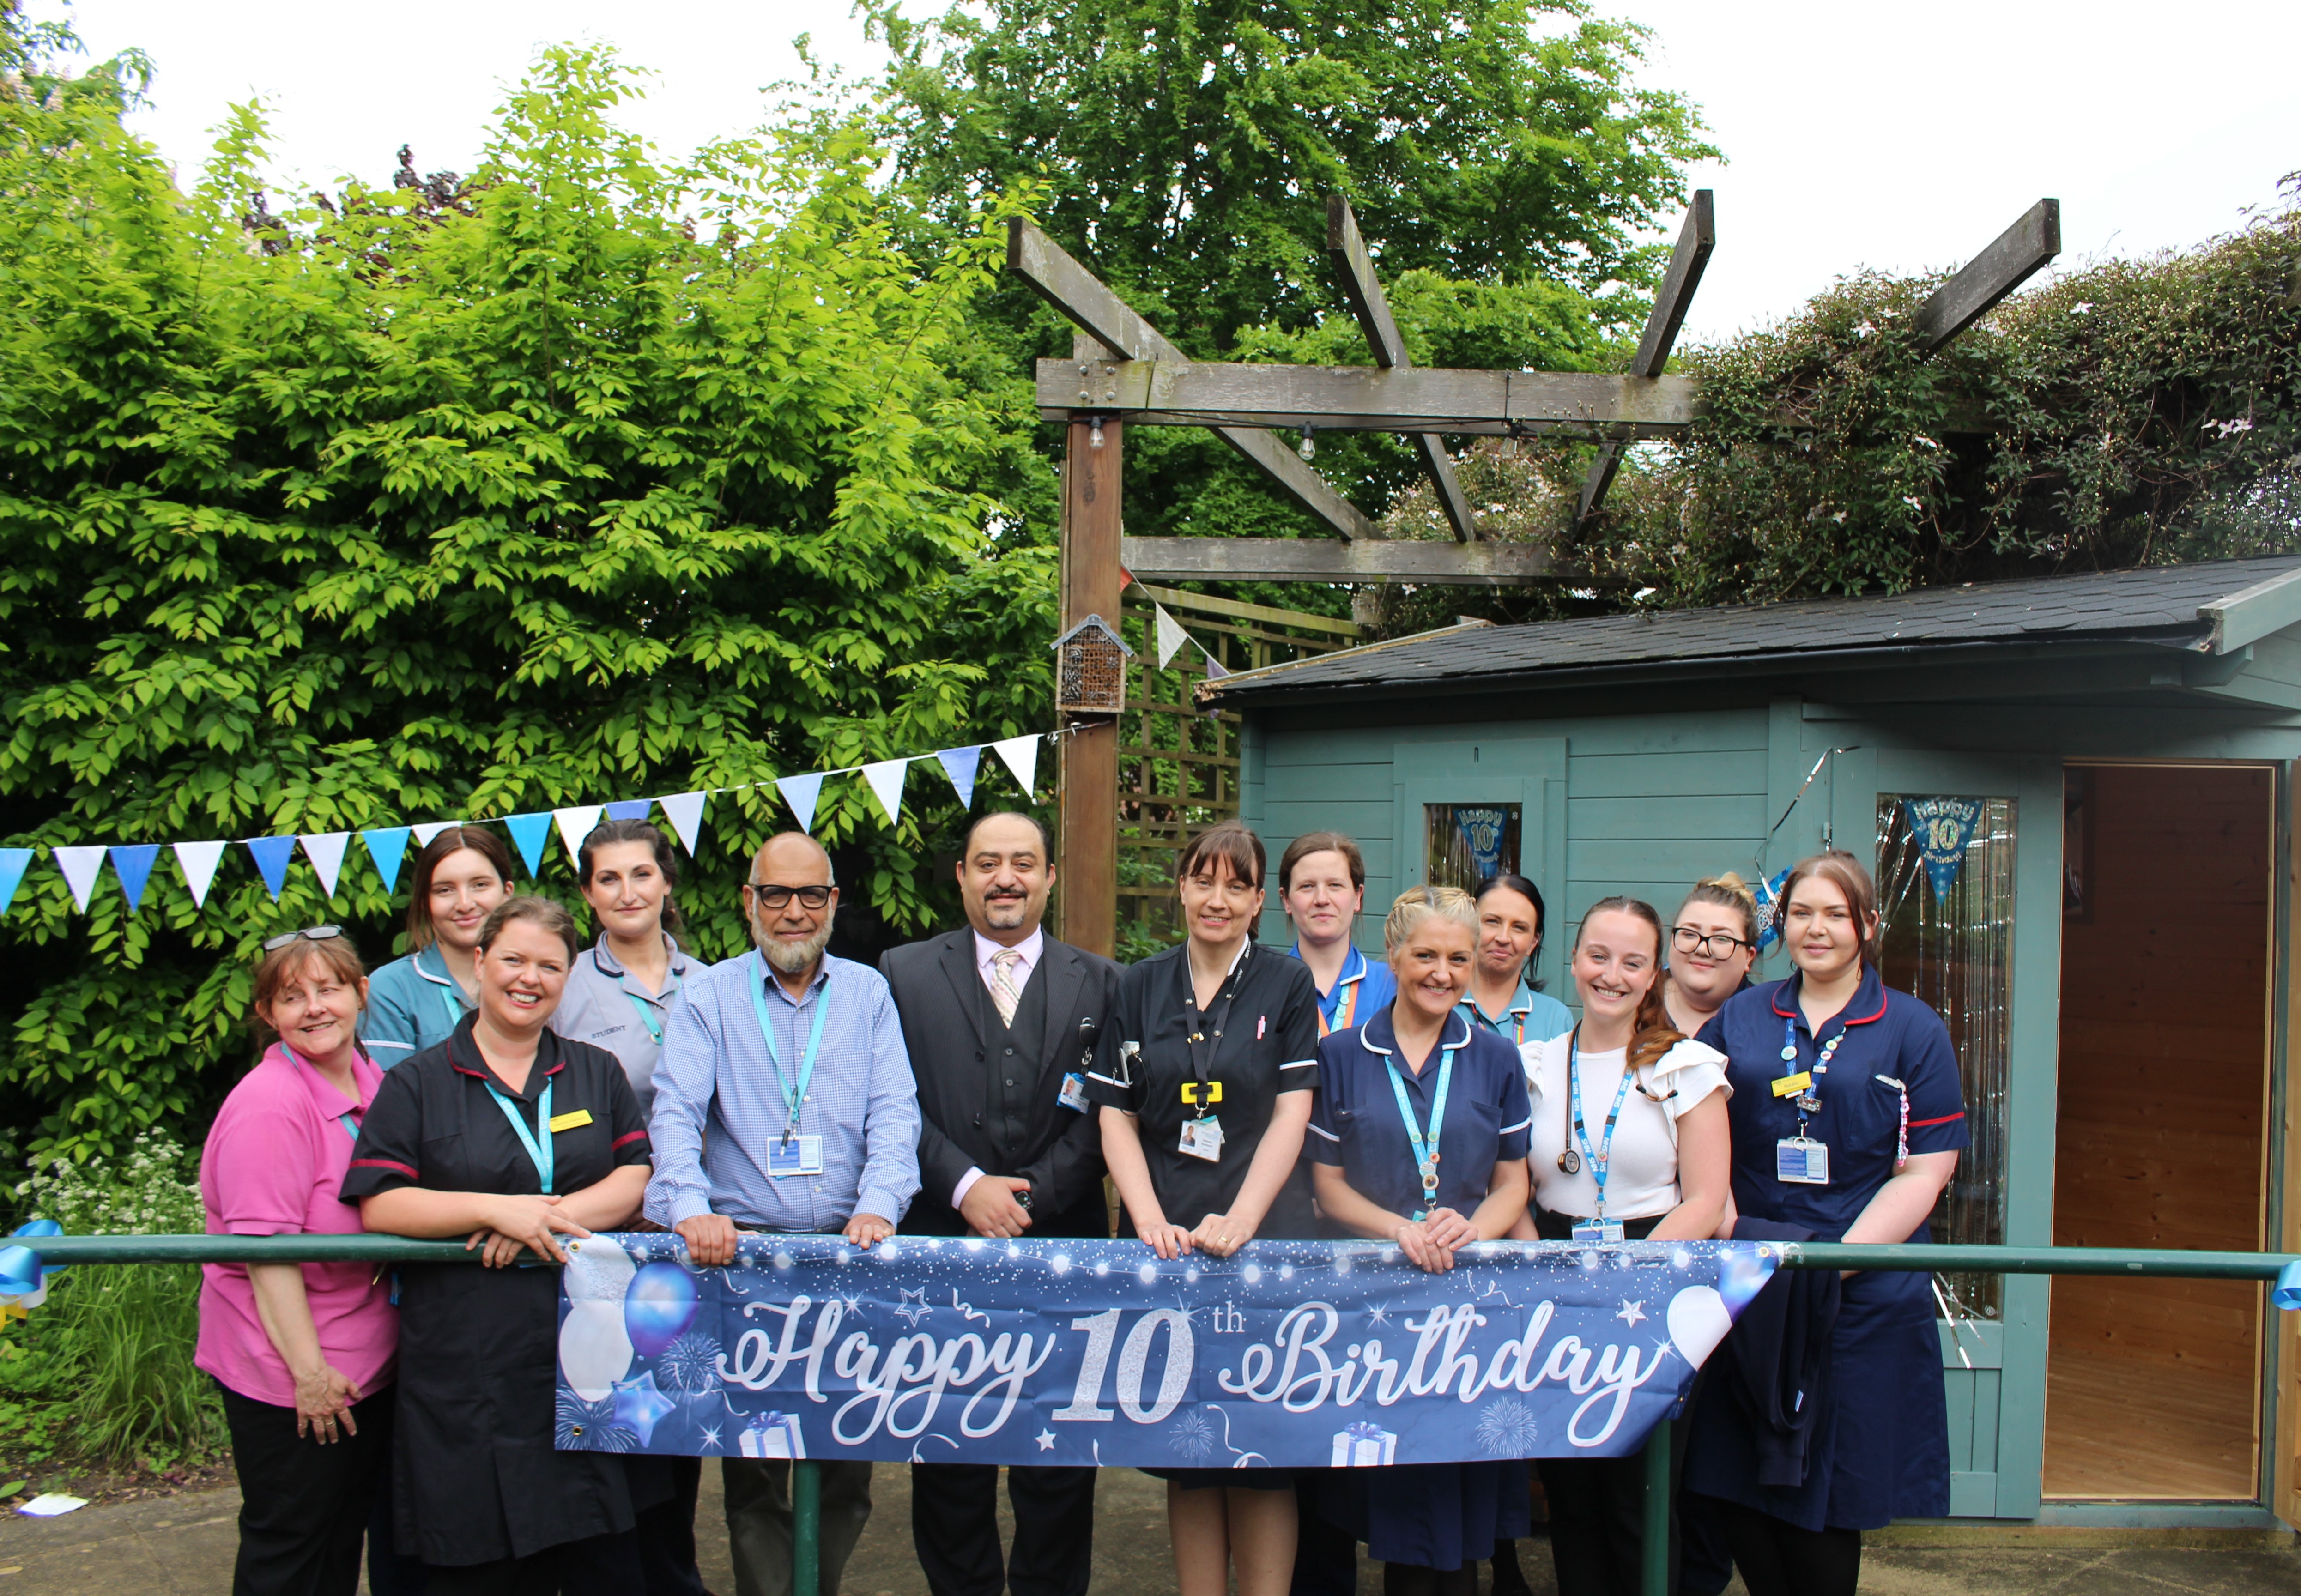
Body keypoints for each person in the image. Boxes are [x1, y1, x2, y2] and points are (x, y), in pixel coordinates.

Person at [343, 897, 656, 1593]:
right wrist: (494, 1210)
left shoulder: (595, 1071)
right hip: (467, 1363)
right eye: (513, 959)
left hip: (584, 1360)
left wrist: (546, 1218)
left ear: (567, 979)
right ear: (480, 963)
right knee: (476, 1564)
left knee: (601, 1559)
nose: (529, 978)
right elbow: (380, 1203)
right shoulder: (416, 1083)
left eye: (549, 966)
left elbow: (634, 1176)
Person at [1683, 850, 1967, 1596]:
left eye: (1835, 914)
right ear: (1781, 925)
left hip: (1857, 1295)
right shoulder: (1740, 1017)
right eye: (1801, 913)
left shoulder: (1911, 1027)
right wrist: (1732, 1231)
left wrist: (1827, 1264)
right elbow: (1698, 1135)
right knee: (1737, 1484)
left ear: (1867, 925)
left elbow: (1928, 1168)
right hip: (1747, 1284)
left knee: (1826, 1504)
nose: (1816, 928)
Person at [646, 832, 921, 1596]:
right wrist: (692, 1210)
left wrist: (877, 1207)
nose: (793, 912)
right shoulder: (706, 996)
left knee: (846, 1470)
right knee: (757, 1476)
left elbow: (896, 1118)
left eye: (810, 895)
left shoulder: (868, 992)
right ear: (749, 901)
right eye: (776, 894)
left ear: (833, 902)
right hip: (744, 1265)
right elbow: (673, 1120)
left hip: (849, 1258)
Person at [881, 810, 1120, 1596]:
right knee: (949, 1455)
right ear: (961, 875)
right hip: (943, 1246)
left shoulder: (1103, 981)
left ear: (1050, 876)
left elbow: (1110, 1111)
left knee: (1057, 1462)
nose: (1005, 877)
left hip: (1066, 1247)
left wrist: (1035, 1193)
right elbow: (888, 1103)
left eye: (1023, 862)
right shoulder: (901, 973)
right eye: (987, 862)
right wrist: (963, 1185)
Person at [1087, 819, 1320, 1596]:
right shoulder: (1138, 984)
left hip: (1263, 1238)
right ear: (1181, 885)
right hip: (1170, 1240)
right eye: (1202, 879)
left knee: (1259, 1451)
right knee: (1186, 1448)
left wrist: (1244, 1219)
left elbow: (1292, 1110)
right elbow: (1115, 1113)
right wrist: (1145, 1215)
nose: (1215, 898)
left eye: (1236, 885)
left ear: (1260, 900)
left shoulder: (1286, 983)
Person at [1305, 886, 1532, 1596]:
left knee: (1452, 1505)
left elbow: (1513, 1185)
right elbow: (1327, 1188)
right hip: (1372, 1304)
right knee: (1374, 1498)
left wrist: (1468, 1230)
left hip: (1467, 1303)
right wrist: (1401, 1230)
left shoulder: (1496, 1057)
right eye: (1426, 955)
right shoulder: (1341, 1054)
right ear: (1393, 957)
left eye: (1457, 959)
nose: (1442, 973)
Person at [1511, 898, 1732, 1596]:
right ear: (1574, 962)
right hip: (1556, 1280)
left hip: (1653, 1285)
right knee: (1570, 1495)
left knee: (1639, 1494)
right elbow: (1512, 1191)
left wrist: (1629, 1279)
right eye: (1597, 957)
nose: (1610, 974)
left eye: (1631, 962)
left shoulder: (1686, 1066)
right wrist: (1545, 1270)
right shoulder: (1532, 1064)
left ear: (1653, 976)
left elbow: (1704, 1200)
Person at [198, 927, 398, 1596]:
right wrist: (308, 1374)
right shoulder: (269, 1105)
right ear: (267, 1015)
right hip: (296, 1373)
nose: (314, 1008)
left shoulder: (370, 1079)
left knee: (339, 1541)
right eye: (292, 997)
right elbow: (266, 1254)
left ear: (361, 995)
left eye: (329, 989)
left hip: (364, 1360)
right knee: (291, 1548)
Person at [548, 817, 703, 1596]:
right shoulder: (561, 985)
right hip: (601, 1233)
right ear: (587, 894)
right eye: (608, 879)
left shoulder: (709, 980)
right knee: (611, 1424)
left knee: (680, 1428)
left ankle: (675, 1577)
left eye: (640, 874)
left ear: (666, 882)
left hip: (689, 1235)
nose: (627, 891)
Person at [361, 827, 514, 1068]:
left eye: (480, 885)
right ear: (425, 903)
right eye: (445, 890)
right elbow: (388, 1097)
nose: (464, 904)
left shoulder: (537, 975)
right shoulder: (391, 989)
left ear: (507, 893)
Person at [1277, 831, 1396, 1038]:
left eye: (1335, 885)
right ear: (1286, 900)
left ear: (1358, 896)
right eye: (1307, 886)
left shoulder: (1392, 985)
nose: (1322, 899)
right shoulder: (1266, 985)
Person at [1461, 874, 1573, 1046]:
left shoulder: (1555, 1018)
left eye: (1519, 928)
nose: (1503, 938)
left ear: (1533, 942)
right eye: (1492, 921)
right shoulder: (1442, 1003)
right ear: (1470, 926)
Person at [1660, 875, 1760, 1038]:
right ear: (1672, 940)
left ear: (1748, 957)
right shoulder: (1637, 1004)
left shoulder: (1768, 1021)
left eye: (1721, 939)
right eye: (1689, 934)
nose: (1702, 950)